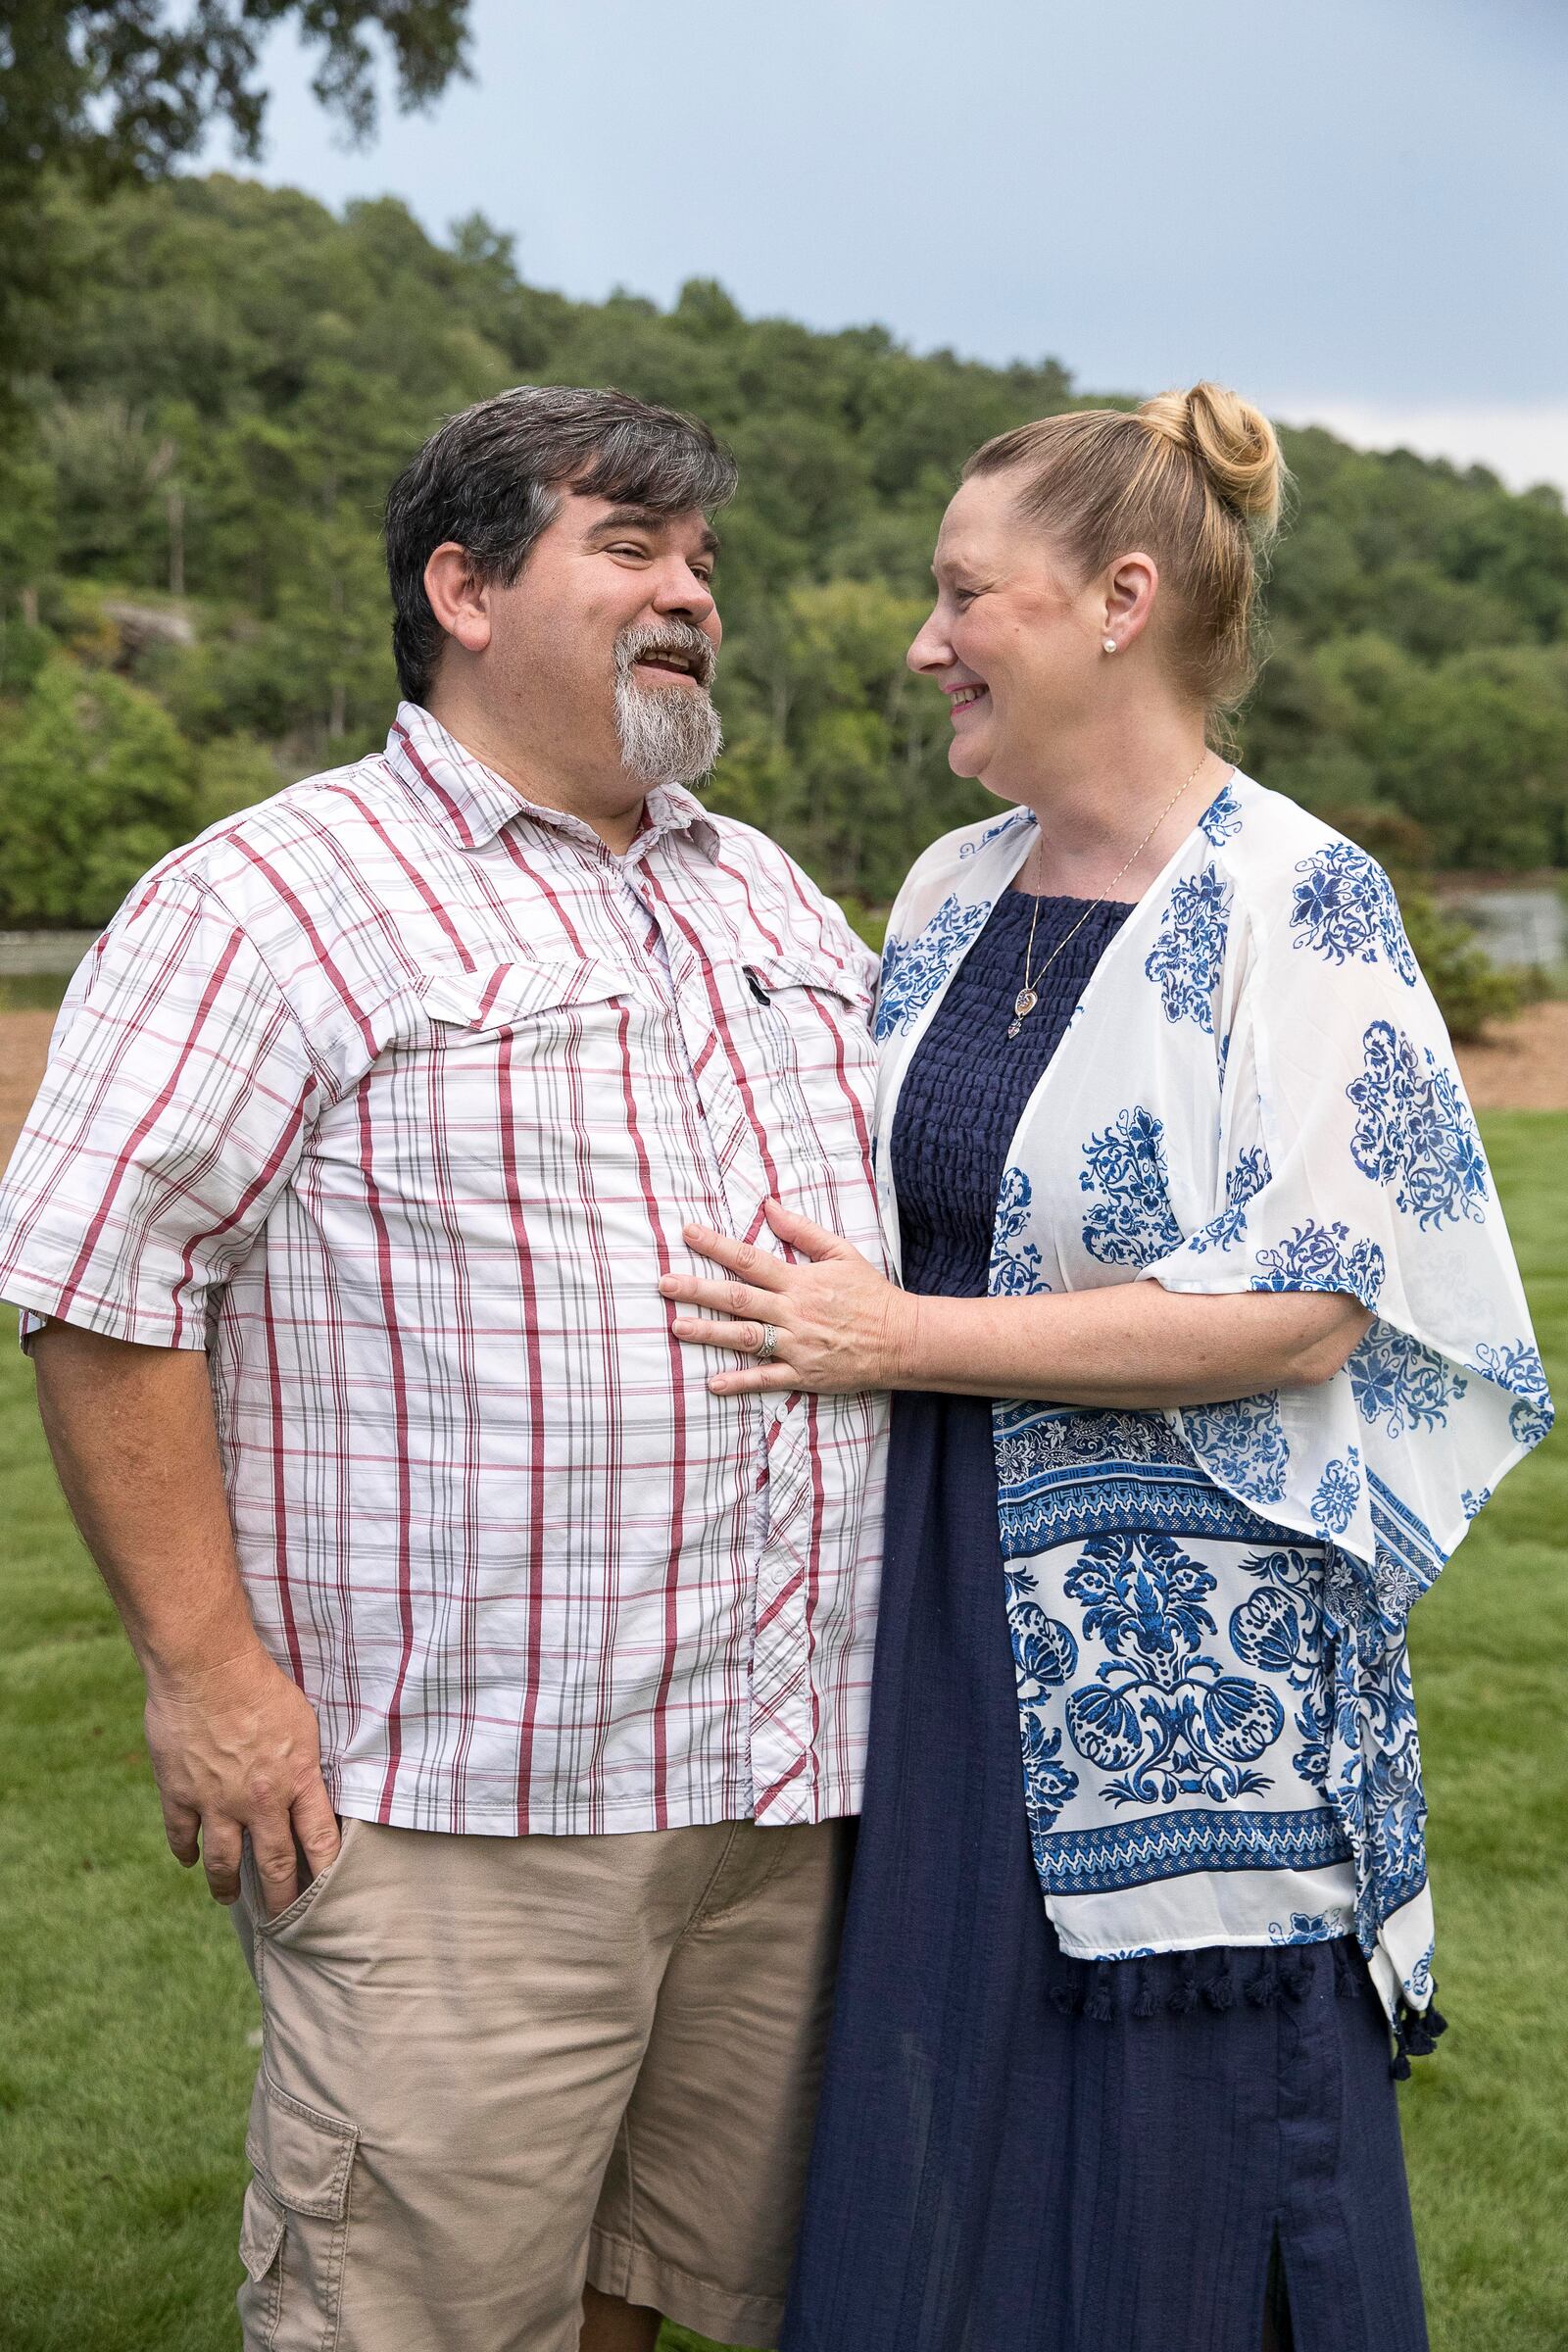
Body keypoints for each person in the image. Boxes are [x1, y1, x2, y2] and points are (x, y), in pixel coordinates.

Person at [659, 383, 1553, 2352]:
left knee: (1166, 2177)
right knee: (935, 2128)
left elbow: (1315, 1299)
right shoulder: (946, 890)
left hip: (1179, 1684)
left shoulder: (1295, 903)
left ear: (1116, 601)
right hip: (926, 1622)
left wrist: (904, 1338)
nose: (923, 640)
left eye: (960, 592)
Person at [0, 385, 890, 2352]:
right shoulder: (270, 894)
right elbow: (96, 1280)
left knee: (630, 2293)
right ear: (463, 587)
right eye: (632, 550)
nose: (691, 600)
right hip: (459, 1808)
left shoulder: (765, 897)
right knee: (413, 2315)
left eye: (705, 565)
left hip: (779, 1787)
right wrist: (209, 1678)